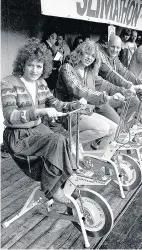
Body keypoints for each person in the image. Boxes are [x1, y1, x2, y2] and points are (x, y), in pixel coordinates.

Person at [1, 38, 87, 205]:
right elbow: (11, 115)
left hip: (37, 129)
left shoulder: (41, 83)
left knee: (67, 143)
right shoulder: (8, 82)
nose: (34, 70)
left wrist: (74, 104)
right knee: (57, 140)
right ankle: (51, 189)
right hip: (18, 136)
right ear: (22, 64)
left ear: (44, 67)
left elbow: (54, 102)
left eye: (39, 66)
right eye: (30, 65)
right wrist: (39, 111)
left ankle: (62, 182)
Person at [55, 40, 127, 155]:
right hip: (69, 113)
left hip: (85, 112)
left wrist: (126, 91)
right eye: (87, 53)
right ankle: (71, 142)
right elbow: (78, 89)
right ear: (79, 53)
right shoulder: (67, 68)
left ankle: (96, 158)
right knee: (102, 128)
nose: (89, 58)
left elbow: (107, 85)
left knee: (114, 129)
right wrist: (107, 98)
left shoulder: (90, 72)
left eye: (93, 56)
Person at [99, 35, 141, 123]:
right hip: (102, 96)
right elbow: (111, 74)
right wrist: (129, 85)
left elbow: (124, 72)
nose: (115, 50)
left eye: (118, 47)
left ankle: (122, 129)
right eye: (113, 46)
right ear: (107, 44)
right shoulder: (101, 55)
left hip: (113, 91)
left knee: (134, 101)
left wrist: (138, 82)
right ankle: (118, 128)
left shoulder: (115, 57)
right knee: (131, 100)